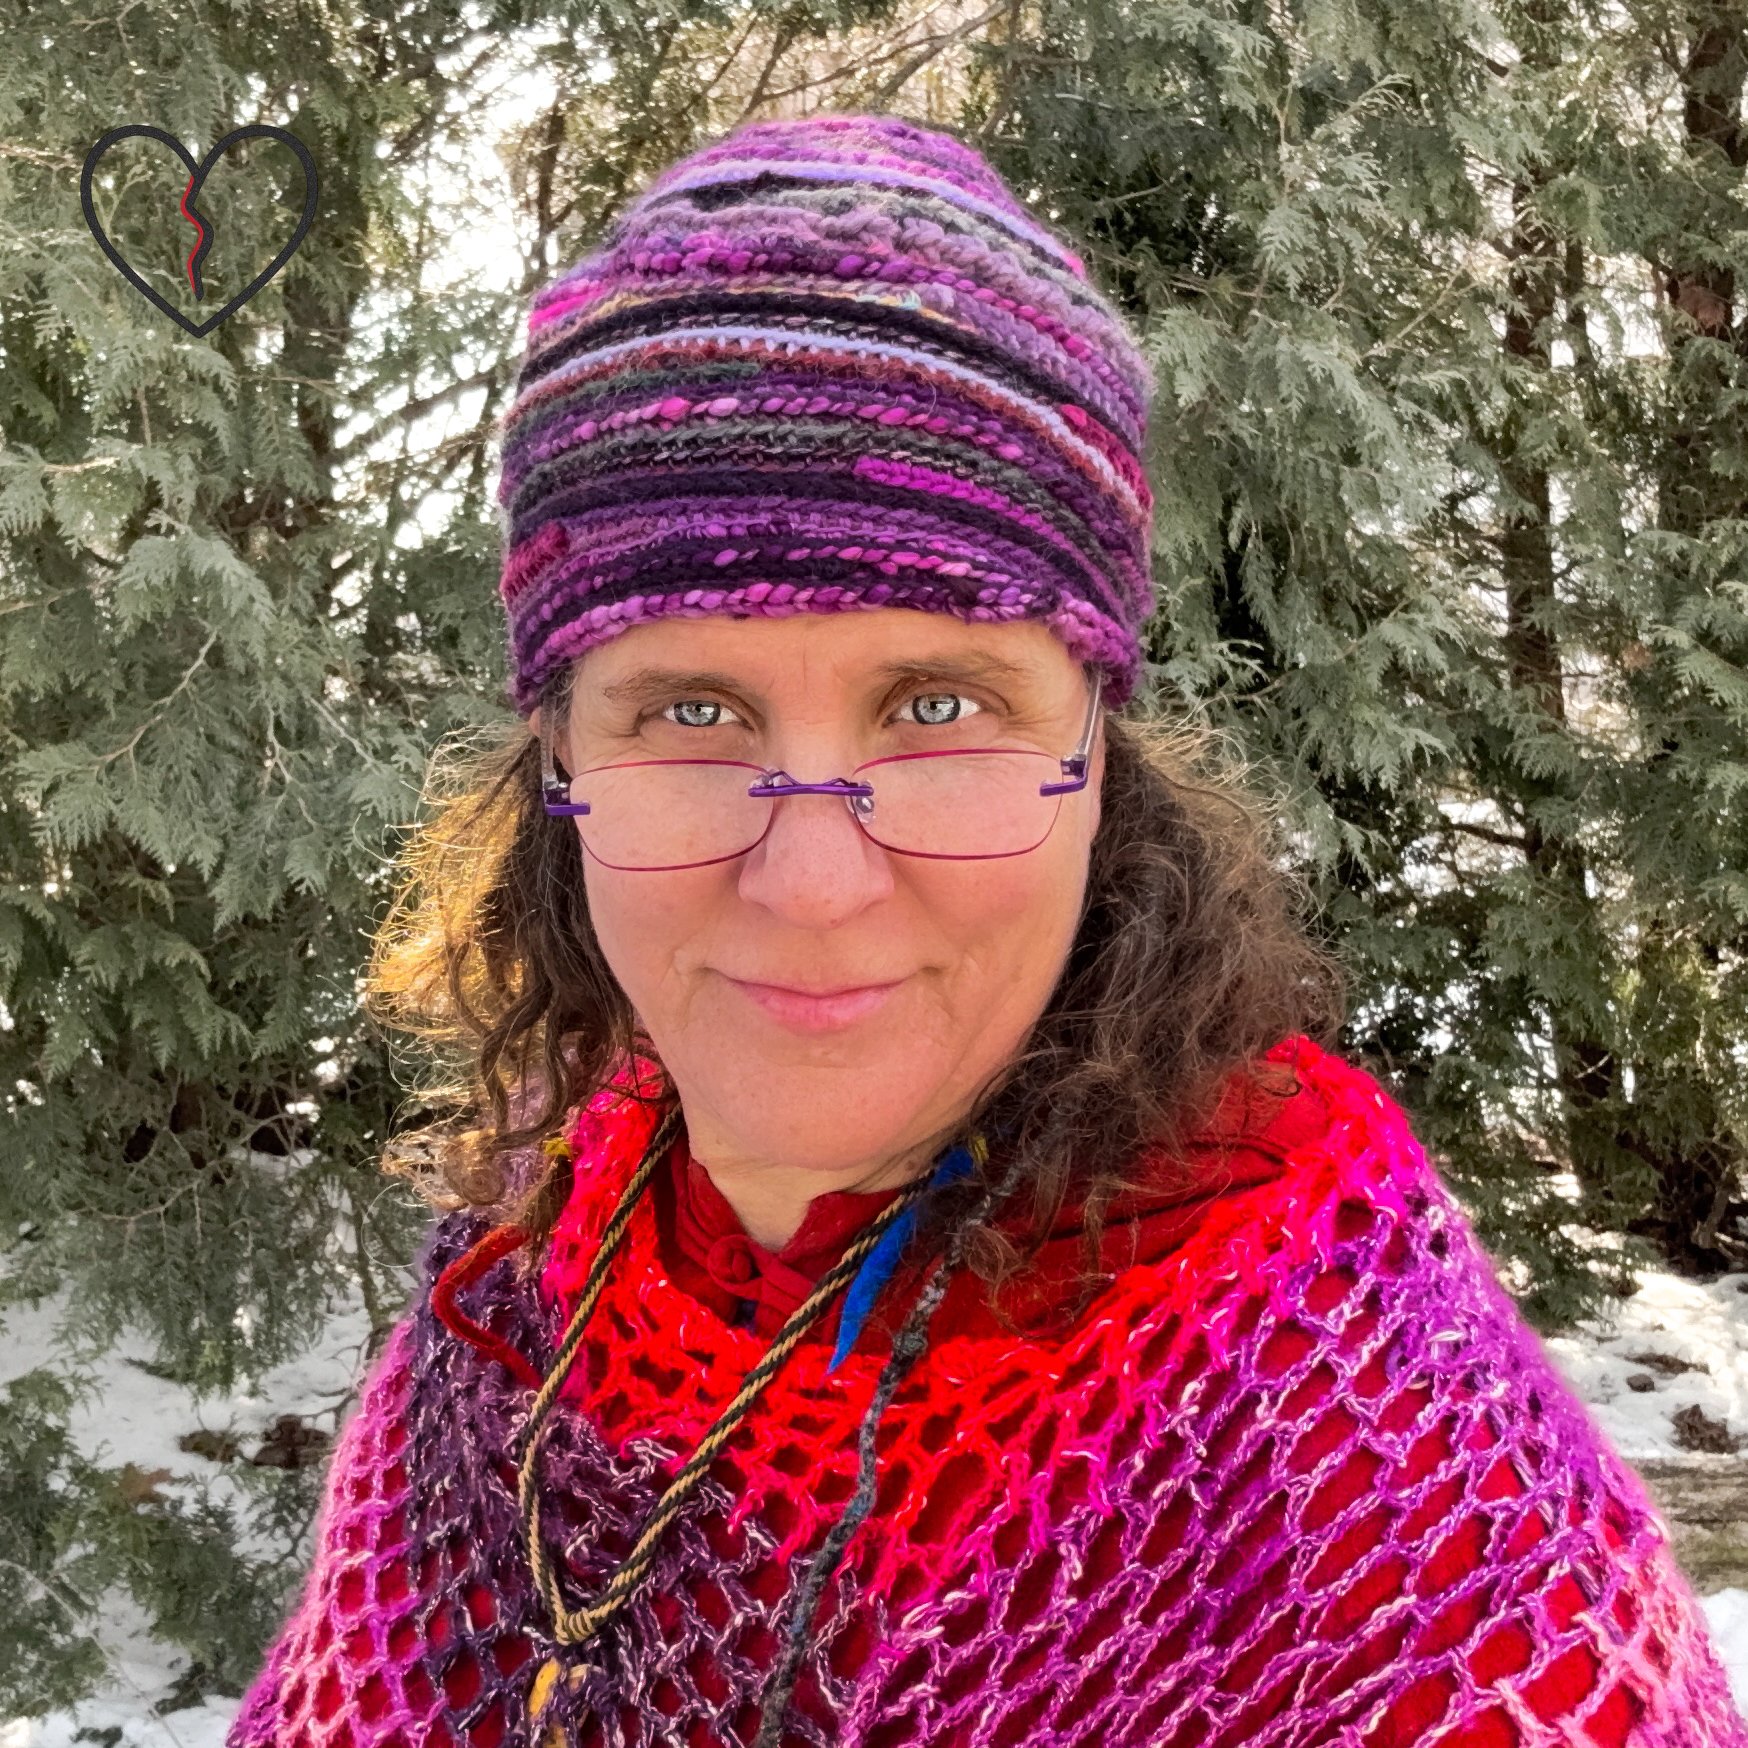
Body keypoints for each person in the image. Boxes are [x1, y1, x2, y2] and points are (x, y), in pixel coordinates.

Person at [226, 112, 1748, 1748]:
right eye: (688, 709)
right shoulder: (526, 1288)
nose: (812, 883)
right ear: (560, 766)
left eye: (937, 703)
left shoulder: (1361, 1455)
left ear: (1097, 753)